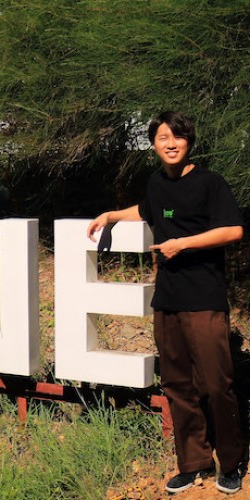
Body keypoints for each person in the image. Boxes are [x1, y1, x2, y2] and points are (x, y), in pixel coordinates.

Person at [87, 111, 245, 495]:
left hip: (204, 299)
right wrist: (111, 215)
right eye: (163, 138)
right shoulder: (157, 184)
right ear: (154, 145)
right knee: (177, 384)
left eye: (177, 137)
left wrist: (183, 243)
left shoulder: (210, 182)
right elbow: (146, 211)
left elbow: (234, 230)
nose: (171, 144)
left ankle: (231, 462)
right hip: (167, 301)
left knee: (216, 384)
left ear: (189, 142)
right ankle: (193, 463)